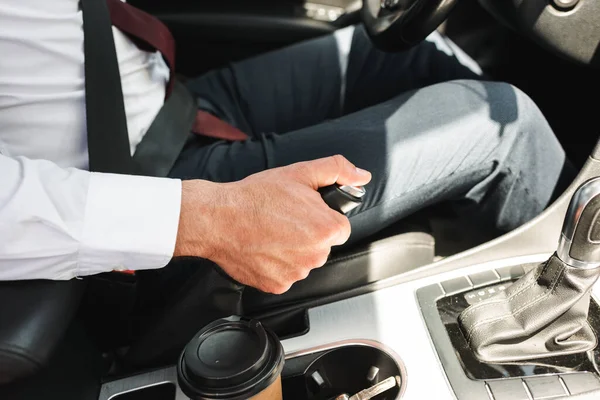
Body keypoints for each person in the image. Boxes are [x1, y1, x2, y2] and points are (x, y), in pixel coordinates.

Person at [0, 0, 571, 297]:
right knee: (505, 126)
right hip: (138, 190)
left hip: (170, 102)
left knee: (407, 52)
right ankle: (574, 296)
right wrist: (205, 218)